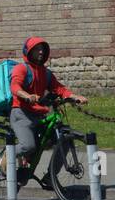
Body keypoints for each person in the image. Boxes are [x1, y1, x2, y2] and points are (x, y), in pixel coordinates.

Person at [9, 37, 87, 185]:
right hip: (21, 114)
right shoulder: (21, 69)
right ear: (28, 51)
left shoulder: (46, 73)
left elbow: (59, 89)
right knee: (28, 146)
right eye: (37, 49)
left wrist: (74, 97)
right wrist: (27, 96)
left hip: (39, 115)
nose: (40, 52)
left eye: (42, 49)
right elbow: (15, 87)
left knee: (64, 139)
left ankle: (50, 176)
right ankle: (7, 155)